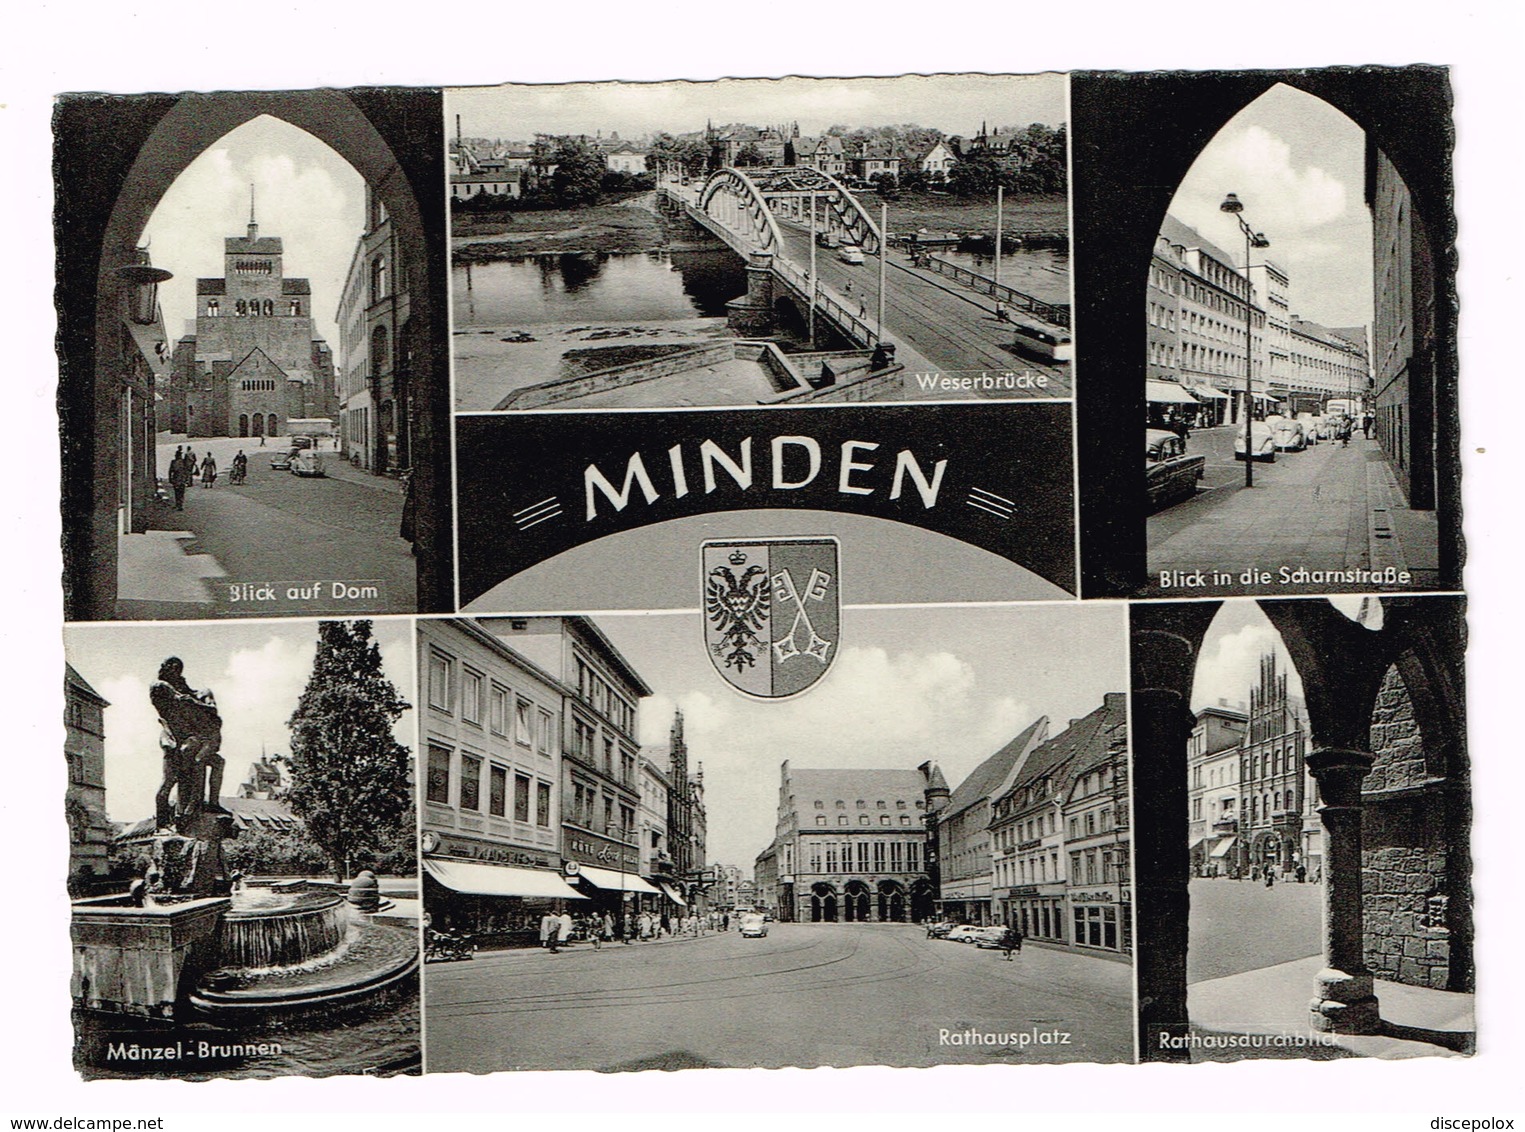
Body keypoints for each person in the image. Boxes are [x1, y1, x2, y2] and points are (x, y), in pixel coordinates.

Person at [149, 656, 226, 832]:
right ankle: (162, 823)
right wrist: (197, 701)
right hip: (173, 740)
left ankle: (208, 804)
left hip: (188, 739)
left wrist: (201, 697)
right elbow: (183, 699)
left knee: (215, 762)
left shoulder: (178, 686)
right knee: (169, 780)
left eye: (179, 669)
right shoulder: (160, 686)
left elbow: (192, 698)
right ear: (166, 668)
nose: (177, 672)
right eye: (174, 668)